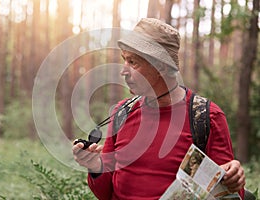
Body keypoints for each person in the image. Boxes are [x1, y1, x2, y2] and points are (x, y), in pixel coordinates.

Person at [72, 18, 245, 199]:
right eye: (124, 60)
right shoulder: (121, 113)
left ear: (160, 65)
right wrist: (94, 167)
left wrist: (234, 178)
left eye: (133, 62)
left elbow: (229, 192)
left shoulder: (206, 117)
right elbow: (105, 193)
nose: (123, 71)